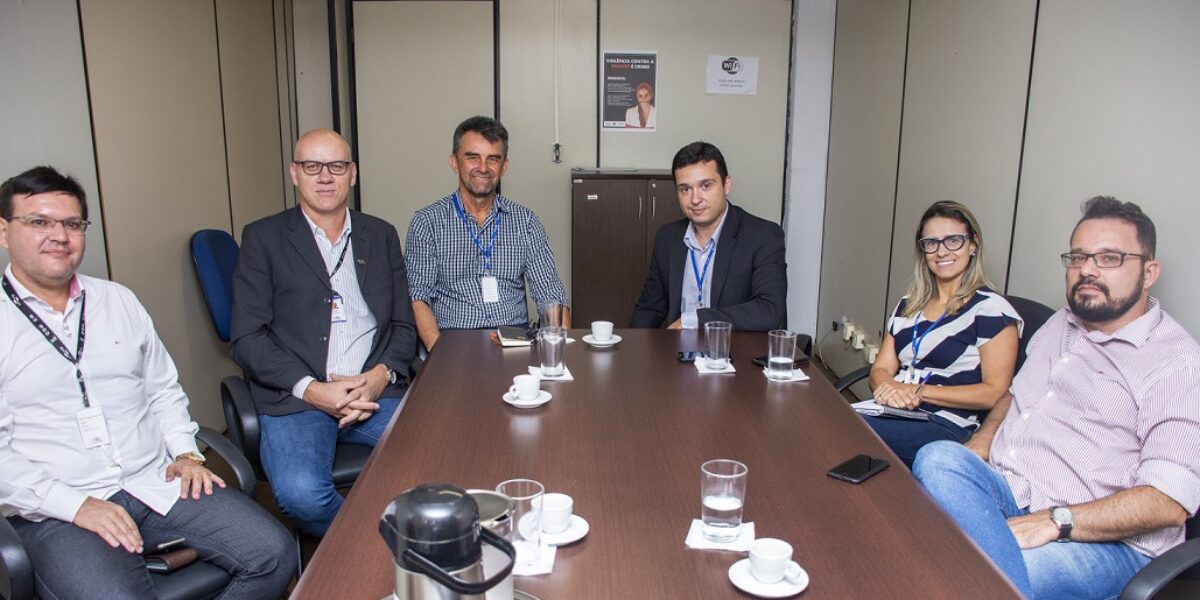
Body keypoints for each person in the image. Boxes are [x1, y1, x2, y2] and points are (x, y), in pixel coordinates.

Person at [0, 166, 294, 598]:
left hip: (154, 481)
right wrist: (76, 505)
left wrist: (185, 452)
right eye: (39, 222)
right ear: (4, 232)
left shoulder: (118, 300)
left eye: (72, 224)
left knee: (274, 552)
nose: (59, 235)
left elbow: (162, 389)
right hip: (58, 509)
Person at [913, 197, 1200, 599]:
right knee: (939, 457)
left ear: (1149, 272)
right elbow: (1014, 395)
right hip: (1014, 492)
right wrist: (979, 444)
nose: (1087, 270)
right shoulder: (1062, 322)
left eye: (1110, 258)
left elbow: (1167, 503)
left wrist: (1056, 521)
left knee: (986, 568)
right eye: (1079, 257)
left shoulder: (1176, 364)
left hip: (1100, 539)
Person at [230, 129, 417, 537]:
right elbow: (246, 337)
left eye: (336, 166)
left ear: (353, 174)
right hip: (298, 397)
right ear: (295, 174)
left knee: (444, 460)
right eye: (312, 166)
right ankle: (374, 549)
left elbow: (404, 325)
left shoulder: (380, 235)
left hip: (373, 391)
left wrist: (378, 377)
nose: (325, 177)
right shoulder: (263, 238)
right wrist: (313, 390)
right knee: (301, 494)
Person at [856, 201, 1021, 467]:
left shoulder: (991, 310)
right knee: (825, 421)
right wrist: (890, 388)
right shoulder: (908, 305)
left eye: (953, 240)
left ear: (973, 244)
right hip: (891, 411)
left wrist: (917, 391)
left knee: (843, 435)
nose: (941, 251)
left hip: (945, 424)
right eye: (931, 242)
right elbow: (881, 369)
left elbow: (995, 392)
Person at [406, 116, 570, 350]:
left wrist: (556, 354)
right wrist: (438, 352)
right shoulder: (427, 222)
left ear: (504, 166)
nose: (483, 168)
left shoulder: (526, 222)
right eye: (472, 157)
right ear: (454, 162)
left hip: (516, 340)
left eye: (493, 159)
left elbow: (551, 295)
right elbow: (418, 297)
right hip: (454, 340)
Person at [629, 141, 786, 331]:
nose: (695, 199)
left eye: (705, 186)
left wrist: (695, 320)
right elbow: (649, 309)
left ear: (726, 184)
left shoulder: (763, 236)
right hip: (679, 353)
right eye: (685, 189)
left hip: (734, 354)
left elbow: (768, 310)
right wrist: (635, 350)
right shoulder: (667, 238)